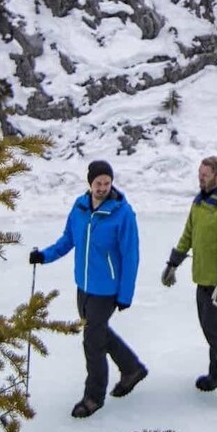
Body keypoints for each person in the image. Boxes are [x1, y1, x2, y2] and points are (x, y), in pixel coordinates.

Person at [29, 160, 146, 418]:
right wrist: (44, 256)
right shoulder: (80, 208)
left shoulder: (123, 213)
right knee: (98, 331)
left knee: (92, 342)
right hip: (83, 286)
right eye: (98, 183)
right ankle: (132, 368)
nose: (103, 188)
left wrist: (125, 294)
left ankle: (93, 397)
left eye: (107, 183)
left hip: (107, 290)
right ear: (90, 183)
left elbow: (131, 256)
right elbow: (68, 240)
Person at [160, 156, 217, 400]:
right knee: (208, 327)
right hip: (202, 276)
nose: (200, 178)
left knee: (214, 328)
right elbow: (188, 234)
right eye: (199, 174)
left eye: (205, 175)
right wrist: (173, 263)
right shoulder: (199, 202)